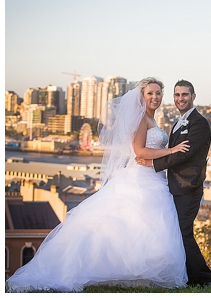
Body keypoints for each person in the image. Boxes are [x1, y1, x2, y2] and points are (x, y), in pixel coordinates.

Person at [6, 77, 190, 292]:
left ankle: (137, 273)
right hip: (141, 178)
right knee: (134, 223)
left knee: (140, 227)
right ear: (142, 96)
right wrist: (170, 150)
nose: (155, 97)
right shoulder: (142, 119)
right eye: (150, 93)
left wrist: (158, 157)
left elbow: (146, 152)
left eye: (158, 93)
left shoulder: (153, 120)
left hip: (153, 176)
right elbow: (139, 151)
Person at [136, 80, 211, 287]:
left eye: (185, 95)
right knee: (178, 232)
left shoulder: (199, 123)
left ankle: (205, 279)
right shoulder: (179, 122)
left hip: (188, 187)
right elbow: (173, 151)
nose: (181, 99)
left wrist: (153, 163)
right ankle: (191, 278)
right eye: (177, 95)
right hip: (174, 186)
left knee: (182, 231)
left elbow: (184, 154)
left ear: (193, 96)